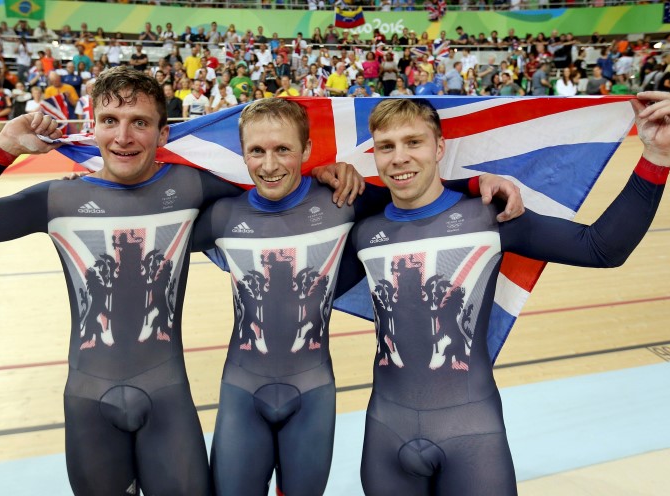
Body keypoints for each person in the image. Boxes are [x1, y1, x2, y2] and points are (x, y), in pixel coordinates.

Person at [0, 66, 361, 495]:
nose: (124, 136)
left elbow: (272, 188)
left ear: (163, 134)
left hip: (167, 402)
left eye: (140, 123)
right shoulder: (58, 199)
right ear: (92, 127)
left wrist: (322, 173)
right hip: (89, 405)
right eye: (110, 121)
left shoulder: (192, 187)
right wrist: (2, 147)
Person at [344, 93, 670, 495]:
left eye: (413, 142)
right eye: (386, 147)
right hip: (387, 433)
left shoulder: (491, 216)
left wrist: (657, 155)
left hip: (471, 433)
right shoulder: (362, 231)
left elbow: (602, 248)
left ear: (439, 147)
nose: (399, 157)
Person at [191, 98, 524, 496]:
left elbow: (415, 193)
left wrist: (473, 184)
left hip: (311, 394)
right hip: (242, 392)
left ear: (307, 151)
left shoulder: (340, 201)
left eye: (283, 149)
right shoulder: (224, 214)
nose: (269, 163)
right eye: (256, 151)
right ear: (241, 154)